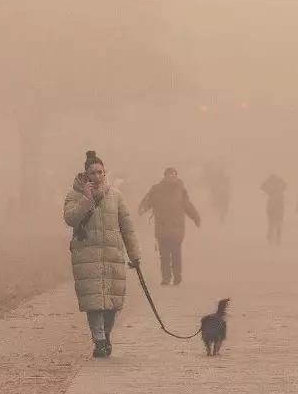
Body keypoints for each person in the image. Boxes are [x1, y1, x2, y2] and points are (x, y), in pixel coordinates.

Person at [63, 151, 141, 358]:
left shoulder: (116, 196)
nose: (97, 177)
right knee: (94, 303)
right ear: (85, 175)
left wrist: (135, 254)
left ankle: (106, 334)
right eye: (92, 173)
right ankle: (98, 340)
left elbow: (127, 227)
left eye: (100, 172)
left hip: (112, 255)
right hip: (86, 255)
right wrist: (86, 200)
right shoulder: (74, 195)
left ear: (105, 173)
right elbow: (70, 219)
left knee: (112, 304)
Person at [138, 167, 201, 286]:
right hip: (162, 226)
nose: (172, 178)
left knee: (176, 251)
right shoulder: (156, 189)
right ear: (165, 176)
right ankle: (166, 277)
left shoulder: (181, 190)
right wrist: (142, 209)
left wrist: (195, 217)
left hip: (177, 226)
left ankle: (177, 275)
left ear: (176, 177)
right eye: (169, 176)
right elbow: (148, 200)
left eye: (174, 176)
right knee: (164, 253)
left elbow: (187, 205)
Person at [261, 174, 287, 245]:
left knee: (271, 224)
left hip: (271, 211)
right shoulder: (281, 195)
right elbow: (282, 205)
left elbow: (269, 207)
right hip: (279, 212)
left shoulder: (271, 195)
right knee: (278, 224)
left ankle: (270, 237)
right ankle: (278, 239)